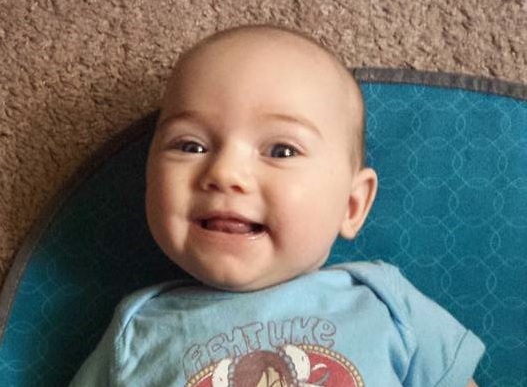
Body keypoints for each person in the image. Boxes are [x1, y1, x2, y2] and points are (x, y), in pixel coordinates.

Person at [70, 25, 484, 386]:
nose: (225, 172)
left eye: (281, 151)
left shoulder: (387, 302)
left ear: (352, 205)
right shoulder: (136, 330)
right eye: (190, 146)